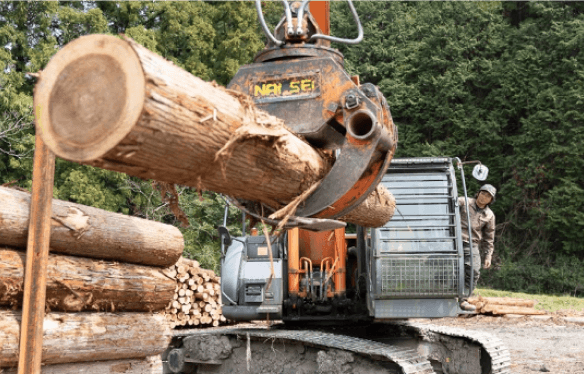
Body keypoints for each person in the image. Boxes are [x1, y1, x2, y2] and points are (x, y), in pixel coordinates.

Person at [458, 184, 496, 312]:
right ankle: (444, 296)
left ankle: (464, 299)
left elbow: (489, 238)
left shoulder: (489, 215)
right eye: (483, 193)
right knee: (449, 268)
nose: (484, 197)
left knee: (474, 271)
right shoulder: (464, 202)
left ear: (491, 200)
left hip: (471, 244)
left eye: (488, 196)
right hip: (454, 240)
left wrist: (488, 255)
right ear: (478, 193)